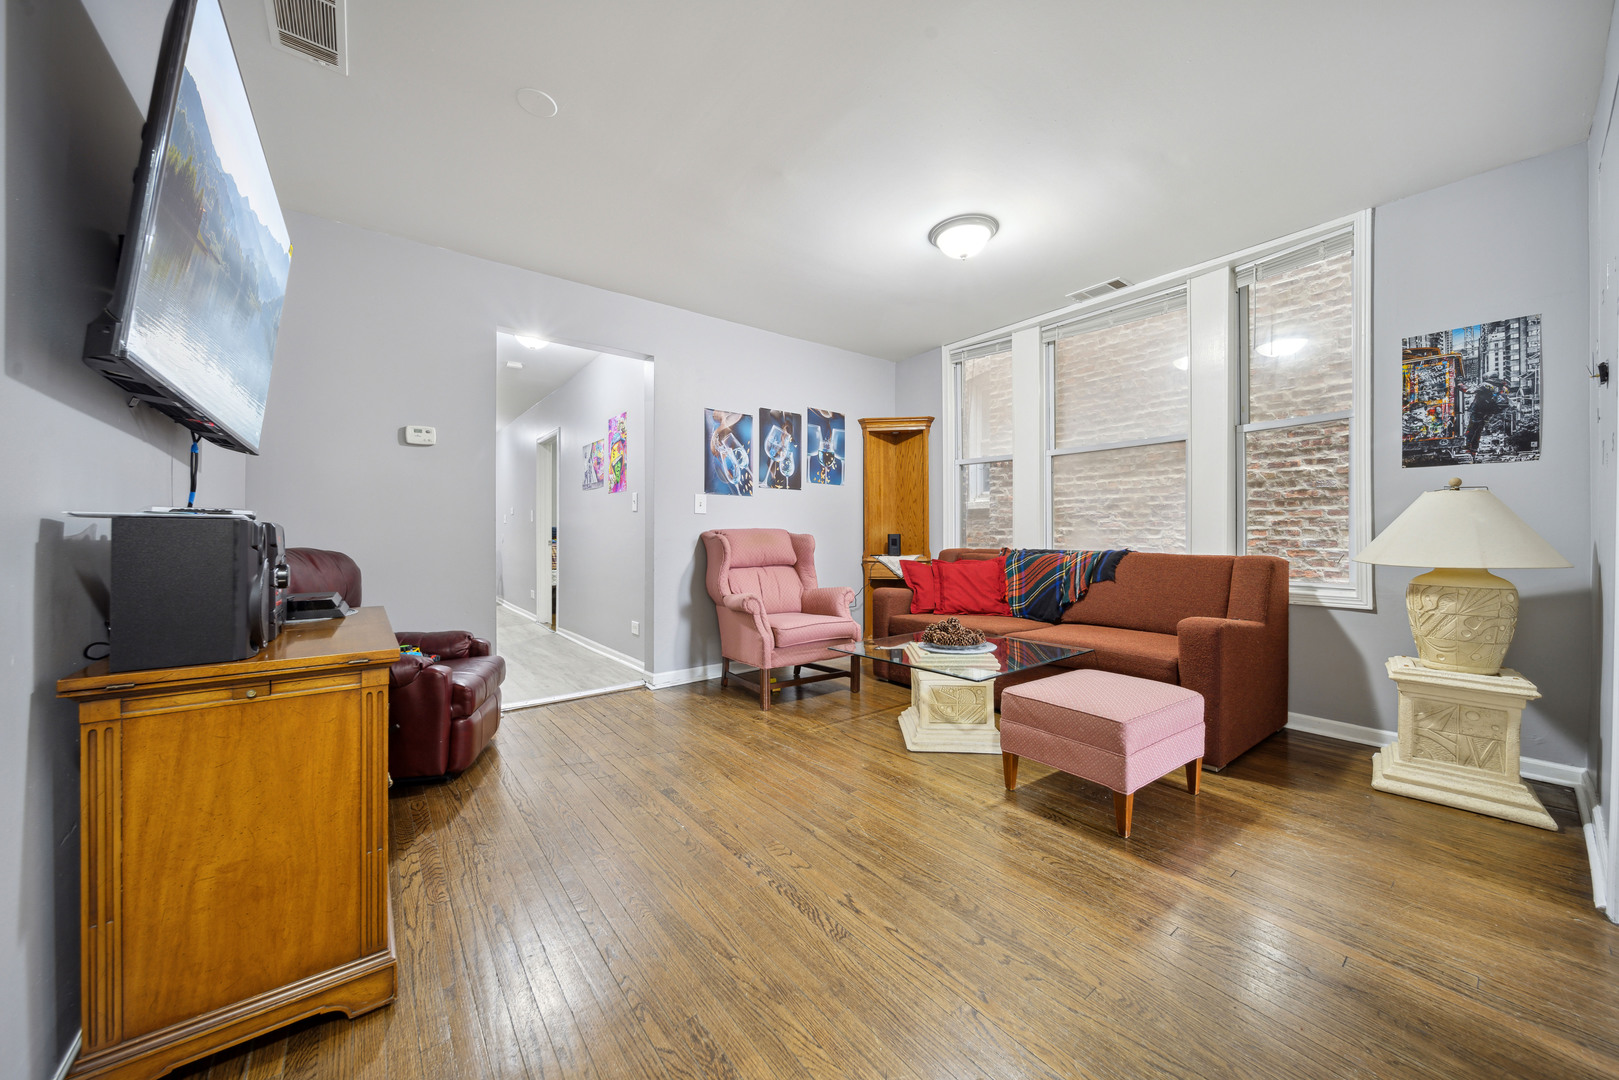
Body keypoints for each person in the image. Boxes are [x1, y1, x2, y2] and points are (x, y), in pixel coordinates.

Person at [1464, 377, 1510, 457]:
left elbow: (1470, 391)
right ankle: (1470, 447)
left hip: (1481, 412)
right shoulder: (1488, 388)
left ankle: (1470, 447)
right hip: (1481, 412)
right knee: (1475, 430)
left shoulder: (1492, 390)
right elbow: (1470, 391)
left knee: (1474, 430)